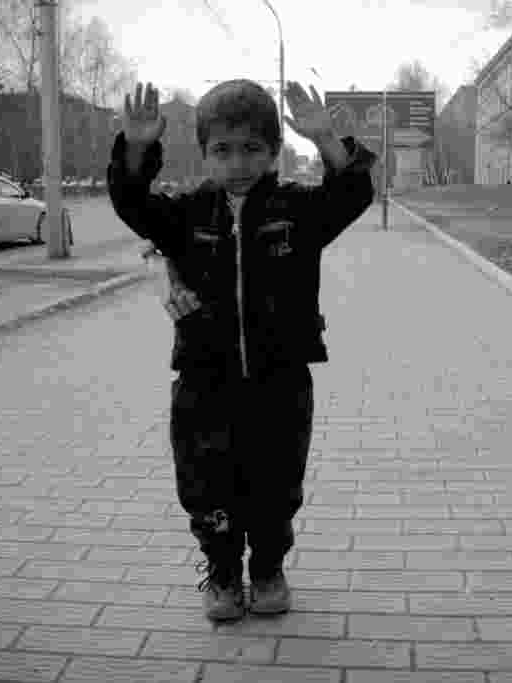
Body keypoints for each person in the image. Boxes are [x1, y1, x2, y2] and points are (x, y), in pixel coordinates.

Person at [107, 79, 375, 622]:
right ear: (205, 154)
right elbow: (132, 203)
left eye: (253, 148)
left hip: (282, 382)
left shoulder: (297, 210)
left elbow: (353, 194)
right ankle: (224, 573)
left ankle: (269, 569)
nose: (238, 163)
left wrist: (326, 138)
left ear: (274, 151)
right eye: (223, 150)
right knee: (207, 486)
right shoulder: (186, 213)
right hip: (206, 383)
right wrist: (136, 148)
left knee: (276, 487)